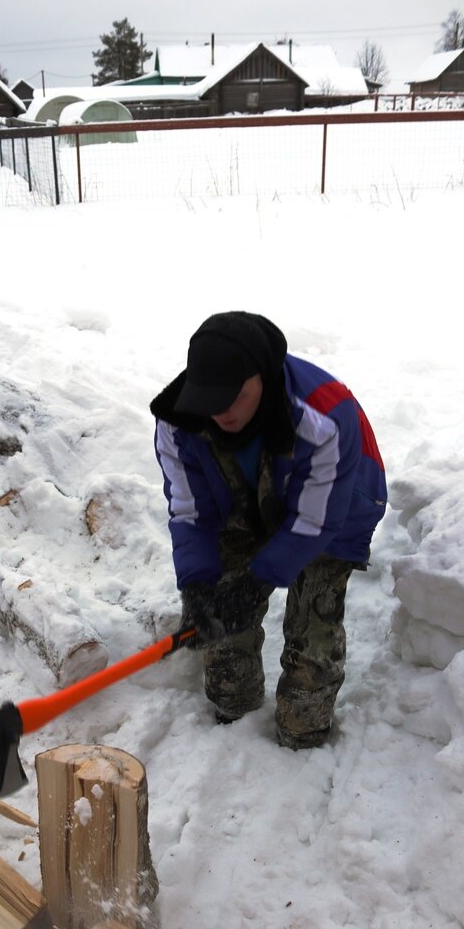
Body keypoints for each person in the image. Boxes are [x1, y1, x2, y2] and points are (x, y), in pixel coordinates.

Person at [150, 311, 387, 749]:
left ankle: (303, 730)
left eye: (233, 396)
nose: (220, 410)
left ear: (265, 376)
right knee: (220, 606)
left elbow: (316, 521)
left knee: (313, 619)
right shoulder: (180, 418)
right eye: (210, 396)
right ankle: (232, 703)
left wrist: (259, 581)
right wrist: (197, 584)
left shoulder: (324, 415)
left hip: (337, 509)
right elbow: (190, 512)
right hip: (242, 500)